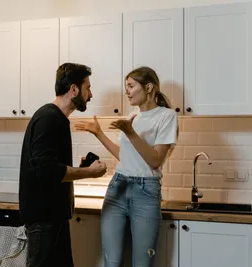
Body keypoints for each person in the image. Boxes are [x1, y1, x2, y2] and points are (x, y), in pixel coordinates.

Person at [75, 66, 178, 267]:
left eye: (131, 86)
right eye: (126, 87)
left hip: (146, 191)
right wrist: (98, 133)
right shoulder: (132, 117)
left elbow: (155, 160)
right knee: (111, 262)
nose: (127, 91)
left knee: (142, 263)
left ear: (148, 87)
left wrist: (130, 132)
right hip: (118, 187)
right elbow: (125, 156)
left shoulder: (167, 116)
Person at [19, 62, 108, 267]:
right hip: (44, 219)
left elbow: (48, 167)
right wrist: (89, 172)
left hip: (53, 218)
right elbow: (47, 171)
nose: (91, 94)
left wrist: (81, 166)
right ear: (74, 89)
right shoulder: (49, 118)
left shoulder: (55, 118)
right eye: (88, 87)